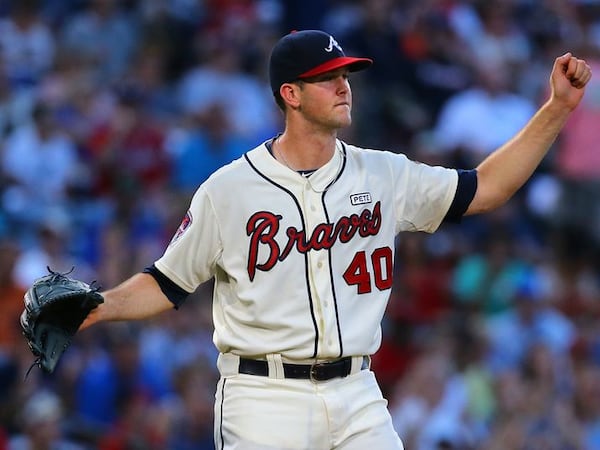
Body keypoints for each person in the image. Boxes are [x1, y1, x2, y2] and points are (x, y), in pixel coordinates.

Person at [79, 29, 591, 449]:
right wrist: (97, 307)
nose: (344, 86)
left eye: (346, 74)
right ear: (291, 94)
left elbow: (487, 188)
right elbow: (167, 283)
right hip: (264, 397)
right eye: (328, 78)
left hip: (357, 391)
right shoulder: (229, 189)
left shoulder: (383, 174)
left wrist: (556, 109)